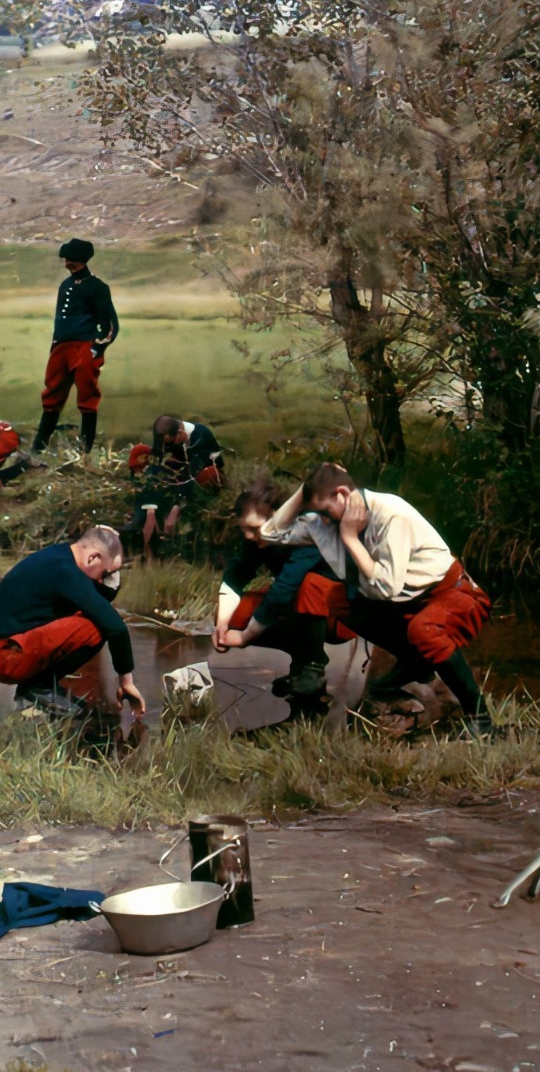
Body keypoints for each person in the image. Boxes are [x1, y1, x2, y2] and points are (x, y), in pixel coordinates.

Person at [270, 463, 492, 730]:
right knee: (326, 592)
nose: (323, 520)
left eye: (325, 511)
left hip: (451, 593)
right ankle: (416, 662)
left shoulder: (390, 514)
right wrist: (306, 489)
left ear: (342, 493)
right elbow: (271, 533)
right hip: (402, 601)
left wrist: (350, 538)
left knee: (424, 630)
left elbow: (386, 587)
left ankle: (479, 716)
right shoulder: (330, 518)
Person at [0, 526, 146, 731]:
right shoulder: (66, 571)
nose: (103, 579)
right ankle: (39, 688)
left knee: (91, 616)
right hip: (5, 656)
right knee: (96, 626)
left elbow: (101, 600)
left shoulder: (61, 557)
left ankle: (41, 686)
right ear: (92, 557)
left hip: (6, 649)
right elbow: (115, 626)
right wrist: (126, 682)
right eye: (106, 573)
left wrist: (111, 549)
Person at [213, 477, 349, 722]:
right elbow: (234, 577)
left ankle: (311, 670)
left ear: (278, 517)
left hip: (342, 614)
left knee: (307, 585)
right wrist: (222, 625)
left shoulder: (308, 531)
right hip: (302, 607)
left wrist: (246, 637)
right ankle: (301, 665)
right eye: (243, 528)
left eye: (254, 528)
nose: (249, 536)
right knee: (238, 610)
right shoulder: (258, 541)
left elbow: (285, 587)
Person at [32, 238, 118, 455]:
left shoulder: (98, 287)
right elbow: (59, 320)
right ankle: (38, 448)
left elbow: (110, 325)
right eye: (67, 259)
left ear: (82, 259)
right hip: (61, 348)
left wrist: (96, 349)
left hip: (84, 347)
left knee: (87, 397)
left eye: (72, 259)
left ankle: (85, 450)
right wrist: (55, 347)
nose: (68, 263)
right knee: (52, 395)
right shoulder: (66, 285)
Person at [131, 414, 224, 560]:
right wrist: (150, 506)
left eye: (172, 442)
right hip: (180, 478)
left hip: (202, 482)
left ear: (181, 433)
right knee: (150, 498)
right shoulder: (167, 438)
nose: (169, 446)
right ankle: (143, 540)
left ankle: (179, 547)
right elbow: (157, 466)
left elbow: (195, 479)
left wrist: (177, 507)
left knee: (205, 478)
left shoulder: (201, 438)